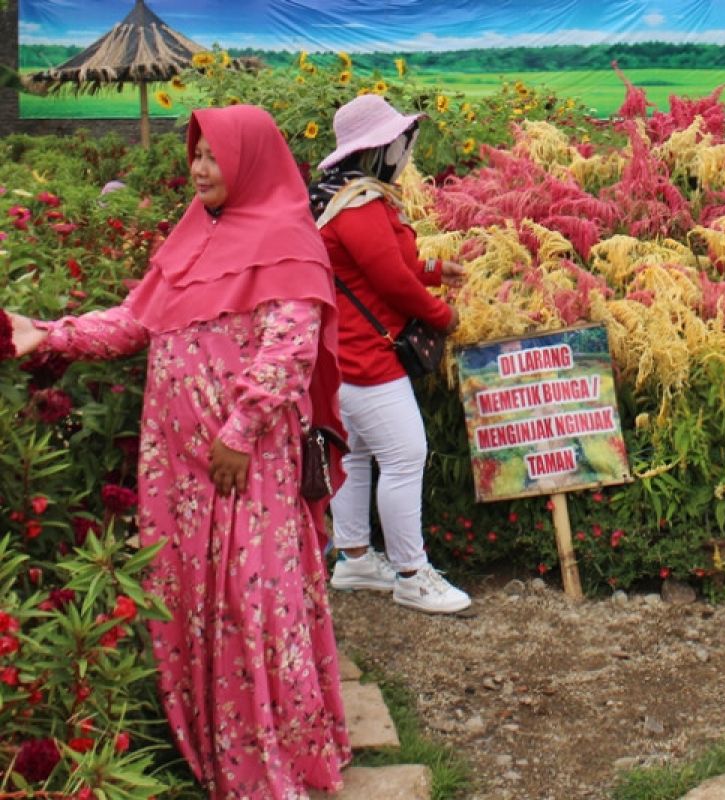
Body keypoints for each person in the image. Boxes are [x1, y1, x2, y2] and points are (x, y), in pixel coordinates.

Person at [5, 105, 351, 798]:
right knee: (195, 604)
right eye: (194, 154)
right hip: (177, 470)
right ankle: (212, 747)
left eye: (213, 155)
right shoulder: (196, 234)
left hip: (241, 468)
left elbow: (289, 352)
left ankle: (265, 761)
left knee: (252, 601)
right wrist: (51, 334)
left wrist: (237, 434)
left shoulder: (289, 238)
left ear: (248, 158)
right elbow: (138, 318)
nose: (199, 168)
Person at [309, 94, 471, 614]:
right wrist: (444, 316)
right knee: (404, 457)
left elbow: (371, 270)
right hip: (368, 358)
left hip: (343, 354)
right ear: (378, 149)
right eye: (401, 142)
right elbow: (390, 283)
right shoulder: (360, 206)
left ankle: (354, 558)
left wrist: (432, 271)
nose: (406, 150)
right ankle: (411, 572)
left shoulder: (341, 197)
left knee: (355, 453)